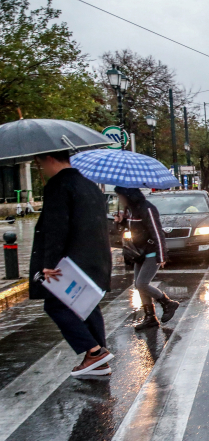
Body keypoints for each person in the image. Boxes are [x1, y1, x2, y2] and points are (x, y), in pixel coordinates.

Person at [29, 150, 113, 377]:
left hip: (69, 262)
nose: (42, 169)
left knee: (55, 305)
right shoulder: (90, 185)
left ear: (49, 159)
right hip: (95, 259)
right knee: (88, 306)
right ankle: (99, 361)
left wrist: (49, 263)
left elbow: (56, 227)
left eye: (40, 164)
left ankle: (95, 352)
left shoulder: (58, 185)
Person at [114, 187, 179, 330]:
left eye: (121, 196)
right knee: (138, 285)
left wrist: (162, 255)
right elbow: (133, 229)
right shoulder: (130, 210)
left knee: (142, 284)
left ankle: (168, 303)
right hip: (139, 253)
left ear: (128, 195)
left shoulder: (147, 208)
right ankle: (150, 317)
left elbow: (157, 232)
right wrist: (121, 221)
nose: (120, 199)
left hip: (151, 252)